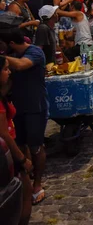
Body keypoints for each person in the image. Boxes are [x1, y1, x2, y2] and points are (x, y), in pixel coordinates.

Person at [2, 29, 47, 205]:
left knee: (36, 147)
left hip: (35, 107)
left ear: (11, 43)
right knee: (20, 145)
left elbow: (21, 65)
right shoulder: (12, 54)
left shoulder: (35, 52)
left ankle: (38, 184)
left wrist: (3, 60)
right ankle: (26, 182)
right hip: (17, 108)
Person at [0, 55, 33, 224]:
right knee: (25, 196)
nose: (9, 72)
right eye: (5, 69)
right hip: (9, 154)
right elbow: (4, 134)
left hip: (8, 152)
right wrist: (21, 158)